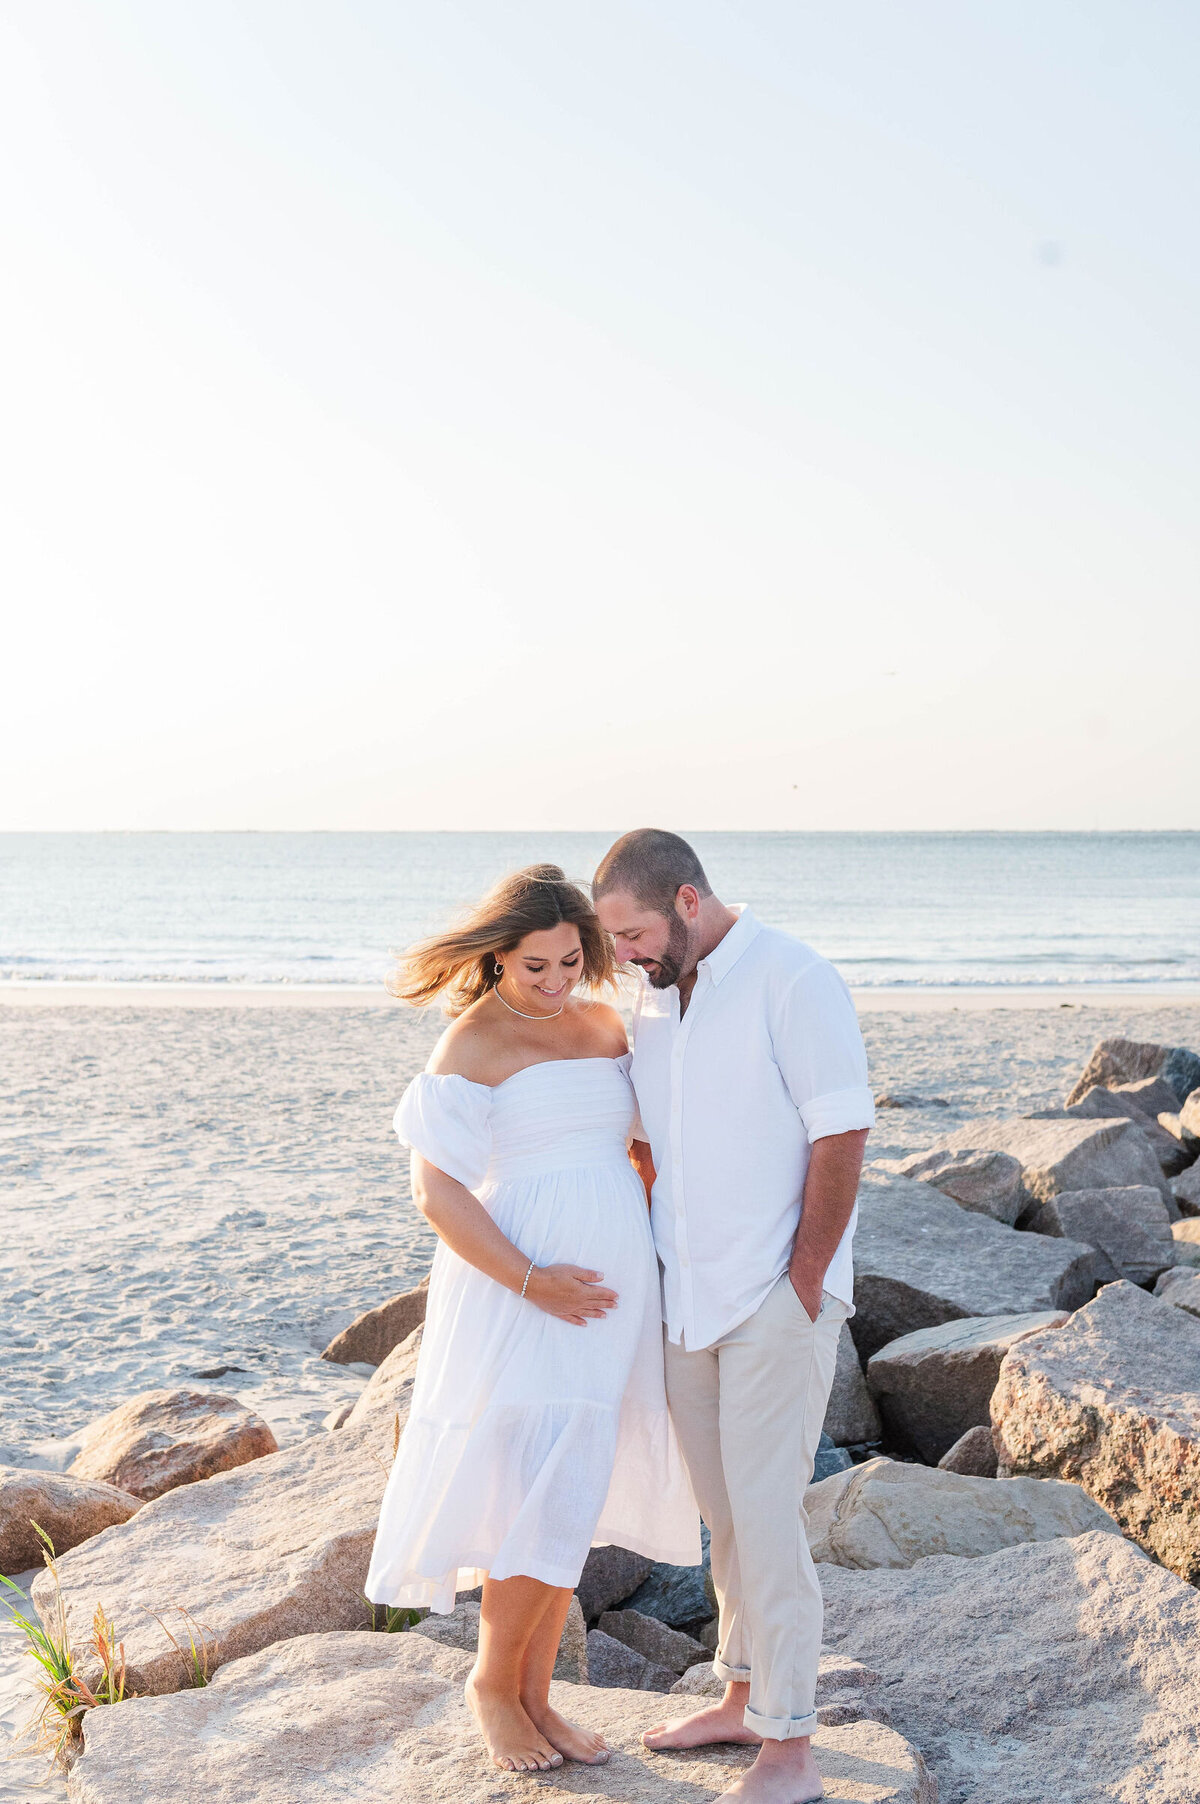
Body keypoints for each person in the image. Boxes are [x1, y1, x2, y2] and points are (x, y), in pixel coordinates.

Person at [364, 863, 698, 1774]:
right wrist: (533, 1281)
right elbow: (434, 1192)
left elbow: (640, 1147)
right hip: (522, 1293)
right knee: (531, 1484)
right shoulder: (473, 1042)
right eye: (532, 967)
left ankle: (539, 1696)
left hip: (612, 1294)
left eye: (566, 961)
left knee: (572, 1488)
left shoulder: (602, 1022)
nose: (552, 982)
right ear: (495, 957)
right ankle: (490, 1687)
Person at [594, 830, 874, 1804]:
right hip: (687, 1297)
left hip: (772, 1300)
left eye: (631, 931)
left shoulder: (793, 977)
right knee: (725, 1520)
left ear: (686, 900)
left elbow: (842, 1128)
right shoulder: (655, 997)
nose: (622, 952)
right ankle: (742, 1697)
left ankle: (791, 1747)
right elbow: (648, 1144)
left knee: (766, 1517)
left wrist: (803, 1278)